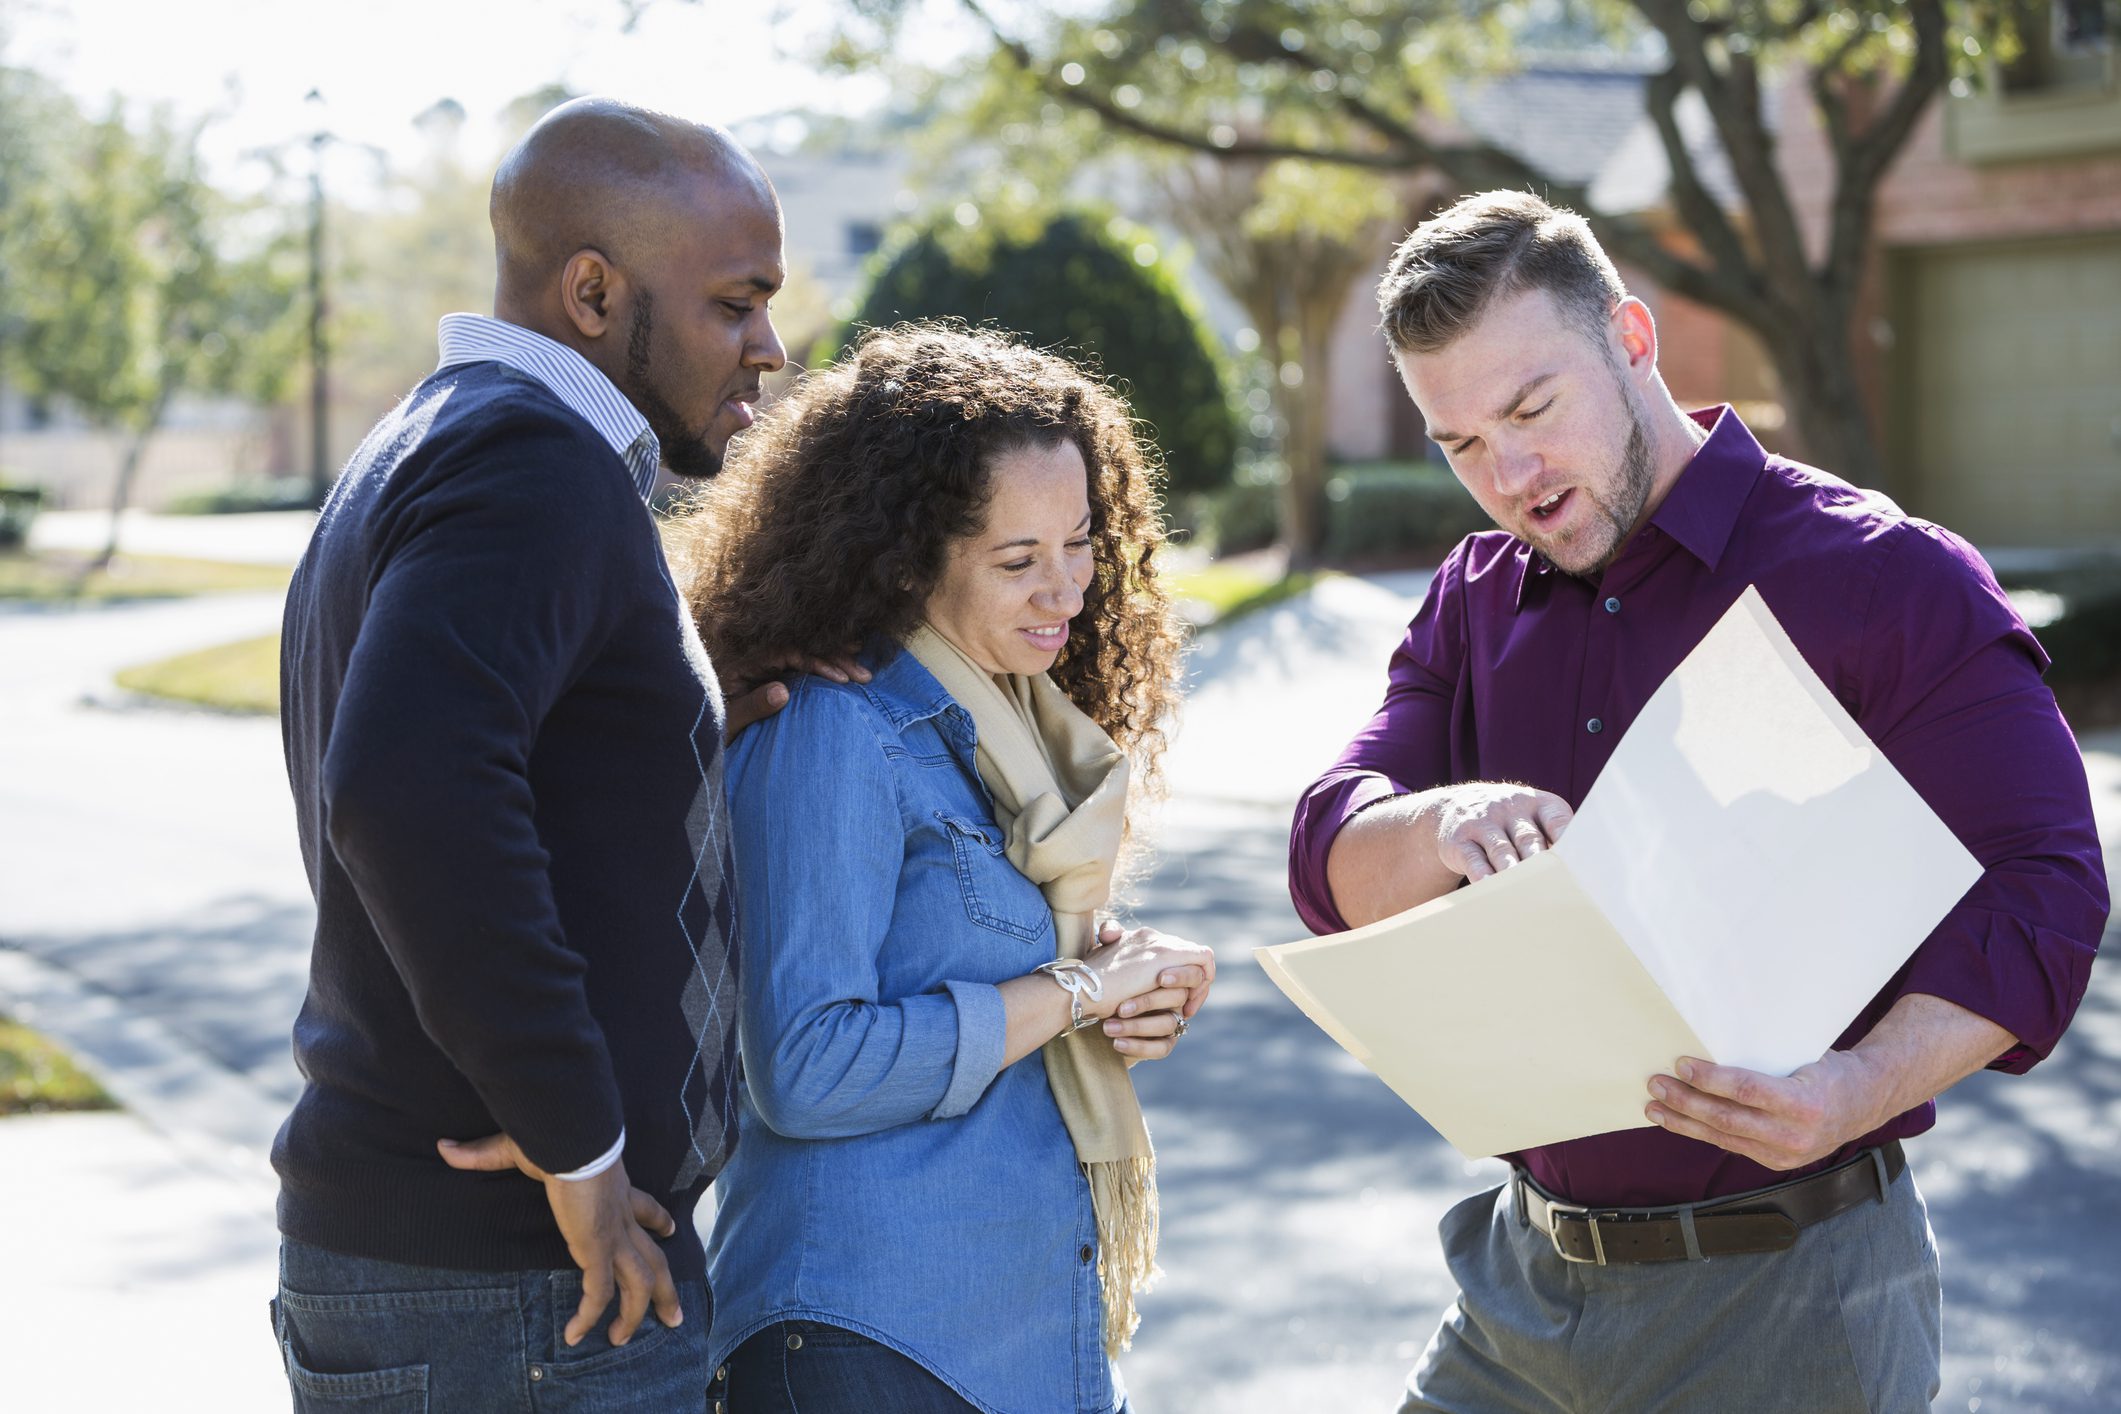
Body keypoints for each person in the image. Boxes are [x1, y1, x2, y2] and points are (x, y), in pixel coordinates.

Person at [1288, 190, 2108, 1412]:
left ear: (1630, 337)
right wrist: (1437, 820)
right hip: (1521, 1292)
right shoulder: (1475, 594)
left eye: (1531, 409)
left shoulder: (1882, 576)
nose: (1508, 475)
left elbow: (2045, 891)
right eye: (1458, 443)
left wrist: (1854, 1091)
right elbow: (1332, 849)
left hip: (1793, 1303)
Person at [271, 98, 796, 1410]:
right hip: (521, 1296)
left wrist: (678, 726)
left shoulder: (438, 439)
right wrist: (581, 1148)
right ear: (592, 290)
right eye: (735, 303)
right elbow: (405, 789)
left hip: (470, 1291)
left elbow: (485, 750)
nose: (769, 347)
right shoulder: (533, 464)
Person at [667, 322, 1217, 1414]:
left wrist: (1117, 984)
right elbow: (806, 1066)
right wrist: (1071, 991)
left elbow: (978, 960)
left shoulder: (1018, 736)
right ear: (908, 555)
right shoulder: (836, 730)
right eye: (1018, 561)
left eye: (1081, 544)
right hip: (867, 1332)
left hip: (1010, 1337)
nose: (1064, 591)